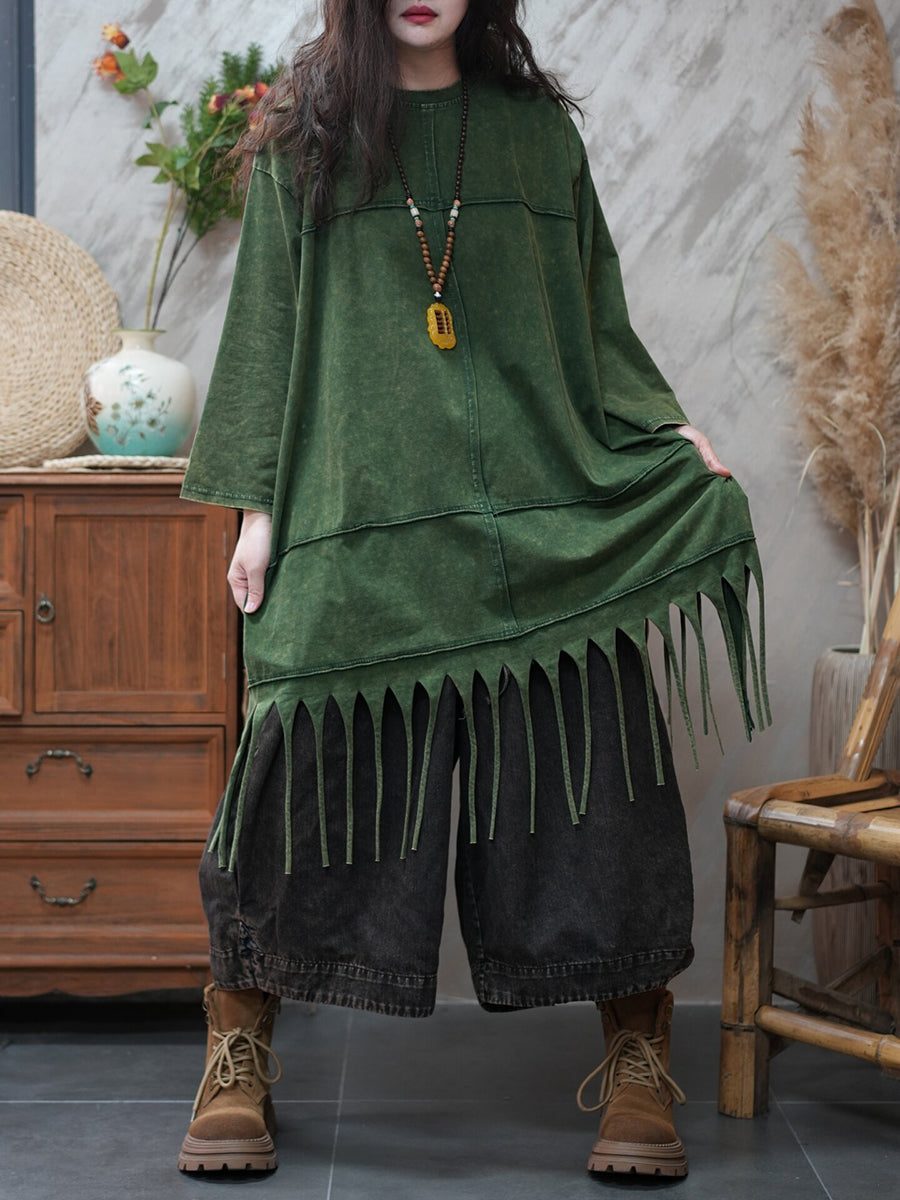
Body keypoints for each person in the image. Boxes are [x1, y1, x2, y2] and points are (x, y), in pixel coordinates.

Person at [175, 0, 770, 1182]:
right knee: (293, 782)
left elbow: (594, 315)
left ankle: (638, 1051)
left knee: (603, 777)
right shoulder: (304, 135)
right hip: (360, 516)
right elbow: (267, 329)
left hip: (536, 518)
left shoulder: (536, 133)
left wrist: (663, 429)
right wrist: (258, 513)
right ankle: (238, 1043)